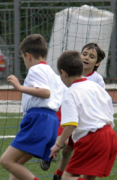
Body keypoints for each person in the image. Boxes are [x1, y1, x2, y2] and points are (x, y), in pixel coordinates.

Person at [0, 34, 64, 180]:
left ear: (28, 56)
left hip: (39, 120)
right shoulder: (53, 75)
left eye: (23, 58)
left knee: (6, 160)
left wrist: (19, 87)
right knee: (16, 165)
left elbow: (45, 92)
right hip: (51, 122)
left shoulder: (36, 70)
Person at [50, 50, 117, 180]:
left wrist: (57, 145)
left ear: (63, 73)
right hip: (110, 136)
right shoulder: (95, 86)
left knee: (67, 178)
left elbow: (71, 124)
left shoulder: (70, 93)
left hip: (92, 139)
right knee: (87, 178)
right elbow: (109, 108)